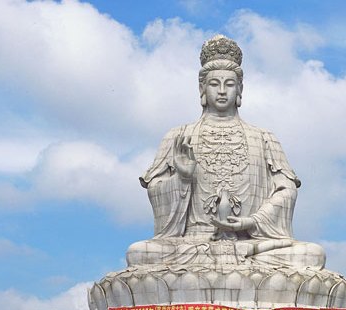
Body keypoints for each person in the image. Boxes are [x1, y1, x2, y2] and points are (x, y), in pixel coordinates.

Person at [126, 34, 325, 269]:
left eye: (229, 84)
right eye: (214, 83)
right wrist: (182, 178)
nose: (222, 91)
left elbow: (286, 190)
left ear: (240, 88)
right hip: (192, 246)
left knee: (312, 255)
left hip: (251, 245)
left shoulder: (264, 138)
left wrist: (250, 222)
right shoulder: (179, 136)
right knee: (139, 254)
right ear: (202, 87)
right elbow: (156, 192)